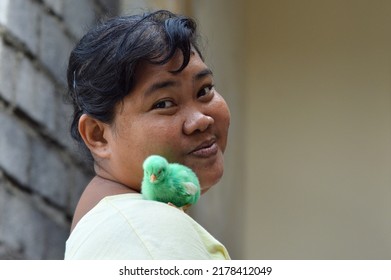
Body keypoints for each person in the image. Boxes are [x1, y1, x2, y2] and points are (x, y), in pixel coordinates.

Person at [64, 10, 231, 260]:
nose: (201, 120)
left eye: (204, 90)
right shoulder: (150, 231)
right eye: (164, 104)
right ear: (98, 136)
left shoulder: (119, 228)